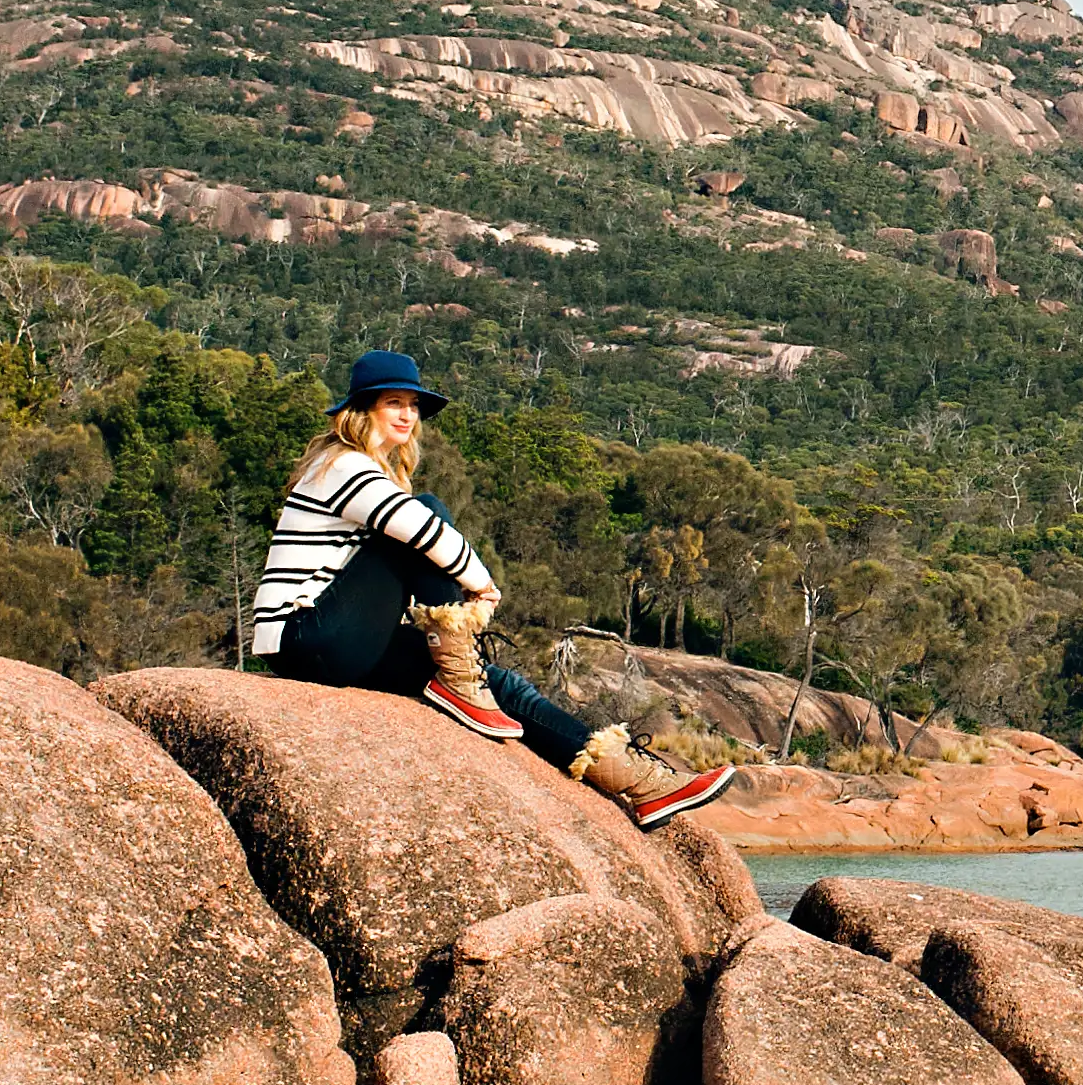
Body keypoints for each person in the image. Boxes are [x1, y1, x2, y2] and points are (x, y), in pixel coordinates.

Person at [248, 349, 733, 830]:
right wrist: (481, 586)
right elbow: (420, 530)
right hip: (304, 635)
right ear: (362, 410)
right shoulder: (342, 465)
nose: (407, 414)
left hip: (335, 640)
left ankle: (636, 782)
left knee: (501, 685)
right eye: (393, 402)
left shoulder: (367, 470)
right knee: (429, 510)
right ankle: (460, 680)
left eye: (413, 405)